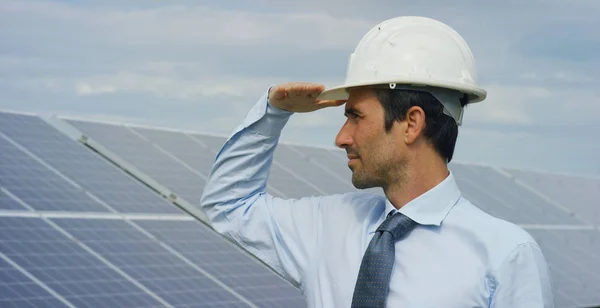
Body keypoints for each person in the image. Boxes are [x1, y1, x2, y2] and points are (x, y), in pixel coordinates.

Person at [200, 16, 554, 307]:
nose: (342, 137)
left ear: (411, 123)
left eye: (356, 116)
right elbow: (230, 206)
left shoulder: (507, 256)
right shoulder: (327, 226)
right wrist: (273, 113)